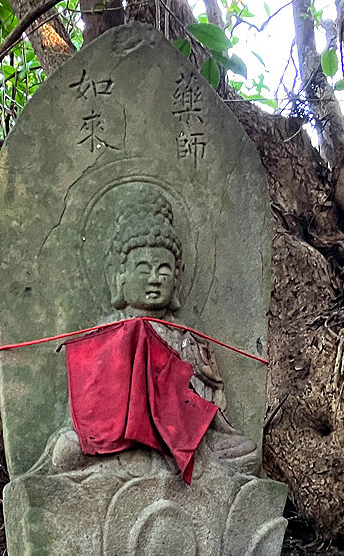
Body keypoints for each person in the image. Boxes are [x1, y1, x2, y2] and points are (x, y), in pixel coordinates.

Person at [44, 183, 259, 480]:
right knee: (67, 449)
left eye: (164, 270)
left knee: (247, 453)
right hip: (120, 441)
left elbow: (208, 413)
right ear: (118, 276)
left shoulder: (187, 339)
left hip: (176, 439)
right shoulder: (105, 335)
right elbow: (86, 414)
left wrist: (203, 386)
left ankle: (156, 465)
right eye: (143, 269)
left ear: (177, 278)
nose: (155, 279)